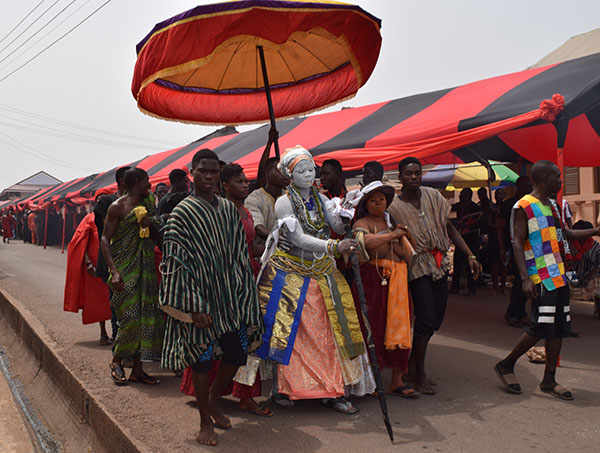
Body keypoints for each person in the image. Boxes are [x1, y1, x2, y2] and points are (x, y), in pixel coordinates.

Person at [256, 145, 374, 414]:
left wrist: (347, 210)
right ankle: (288, 388)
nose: (309, 175)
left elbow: (336, 225)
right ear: (289, 174)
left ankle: (332, 389)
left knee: (328, 333)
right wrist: (334, 247)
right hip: (291, 274)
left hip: (322, 273)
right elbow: (297, 239)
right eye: (302, 170)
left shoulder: (320, 199)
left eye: (311, 169)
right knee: (291, 335)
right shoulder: (284, 202)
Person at [160, 149, 263, 446]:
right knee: (202, 359)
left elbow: (239, 256)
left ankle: (213, 399)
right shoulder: (182, 213)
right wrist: (193, 307)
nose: (208, 177)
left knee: (236, 353)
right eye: (202, 171)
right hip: (199, 298)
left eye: (213, 172)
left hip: (230, 297)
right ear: (192, 172)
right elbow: (176, 262)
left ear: (219, 174)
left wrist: (244, 293)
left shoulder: (229, 210)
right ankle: (205, 420)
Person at [494, 160, 600, 400]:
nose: (561, 181)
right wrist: (525, 278)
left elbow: (567, 235)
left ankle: (549, 380)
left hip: (558, 274)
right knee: (541, 326)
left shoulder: (552, 205)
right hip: (540, 276)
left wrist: (594, 232)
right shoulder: (524, 206)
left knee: (559, 328)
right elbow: (518, 243)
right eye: (558, 178)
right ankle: (507, 364)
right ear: (544, 180)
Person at [179, 163, 271, 417]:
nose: (246, 185)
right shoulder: (211, 212)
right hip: (214, 286)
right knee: (208, 348)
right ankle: (208, 405)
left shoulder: (244, 213)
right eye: (240, 182)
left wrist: (269, 247)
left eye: (246, 181)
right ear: (225, 185)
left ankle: (243, 395)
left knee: (243, 346)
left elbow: (248, 247)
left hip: (245, 282)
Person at [388, 157, 481, 395]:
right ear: (401, 177)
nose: (414, 177)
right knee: (426, 317)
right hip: (416, 264)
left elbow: (450, 228)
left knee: (436, 318)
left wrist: (470, 255)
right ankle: (419, 375)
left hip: (440, 262)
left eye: (417, 173)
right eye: (408, 174)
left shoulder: (433, 196)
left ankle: (411, 367)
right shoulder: (393, 208)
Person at [101, 168, 164, 386]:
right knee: (129, 316)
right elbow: (105, 240)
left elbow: (158, 230)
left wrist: (151, 223)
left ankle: (138, 369)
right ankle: (116, 360)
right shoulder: (117, 206)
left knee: (146, 316)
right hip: (125, 267)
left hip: (145, 266)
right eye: (146, 180)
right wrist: (114, 271)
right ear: (137, 182)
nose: (149, 184)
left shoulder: (148, 203)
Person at [353, 181, 415, 398]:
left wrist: (404, 238)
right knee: (374, 329)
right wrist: (392, 236)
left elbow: (404, 252)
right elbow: (364, 243)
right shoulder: (362, 222)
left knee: (401, 329)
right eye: (372, 200)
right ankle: (373, 382)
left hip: (396, 281)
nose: (378, 203)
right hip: (374, 281)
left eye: (381, 199)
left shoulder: (392, 224)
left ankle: (396, 381)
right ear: (366, 204)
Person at [63, 192, 113, 344]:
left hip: (115, 266)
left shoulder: (116, 218)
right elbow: (78, 243)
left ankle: (118, 335)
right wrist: (88, 263)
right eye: (98, 200)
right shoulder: (89, 219)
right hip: (96, 268)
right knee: (98, 302)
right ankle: (103, 333)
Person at [497, 176, 534, 327]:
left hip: (530, 248)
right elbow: (500, 227)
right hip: (515, 248)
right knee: (520, 280)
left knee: (525, 281)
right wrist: (502, 249)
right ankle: (514, 313)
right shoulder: (509, 205)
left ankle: (518, 312)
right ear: (518, 187)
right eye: (526, 186)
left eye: (531, 186)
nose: (529, 189)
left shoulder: (532, 204)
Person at [245, 157, 288, 242]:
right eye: (279, 170)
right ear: (267, 173)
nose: (283, 174)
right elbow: (257, 226)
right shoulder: (254, 198)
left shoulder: (290, 197)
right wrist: (278, 240)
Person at [450, 188, 481, 296]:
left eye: (463, 195)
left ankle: (472, 288)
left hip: (471, 237)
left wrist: (466, 224)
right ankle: (455, 287)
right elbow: (449, 209)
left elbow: (477, 221)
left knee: (470, 264)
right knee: (457, 262)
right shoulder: (459, 206)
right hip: (461, 237)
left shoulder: (474, 207)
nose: (460, 197)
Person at [489, 188, 507, 295]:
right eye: (497, 194)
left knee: (504, 263)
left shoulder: (506, 207)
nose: (498, 196)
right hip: (494, 237)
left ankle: (503, 288)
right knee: (495, 263)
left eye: (501, 194)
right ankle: (495, 286)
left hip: (504, 237)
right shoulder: (492, 208)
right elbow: (490, 222)